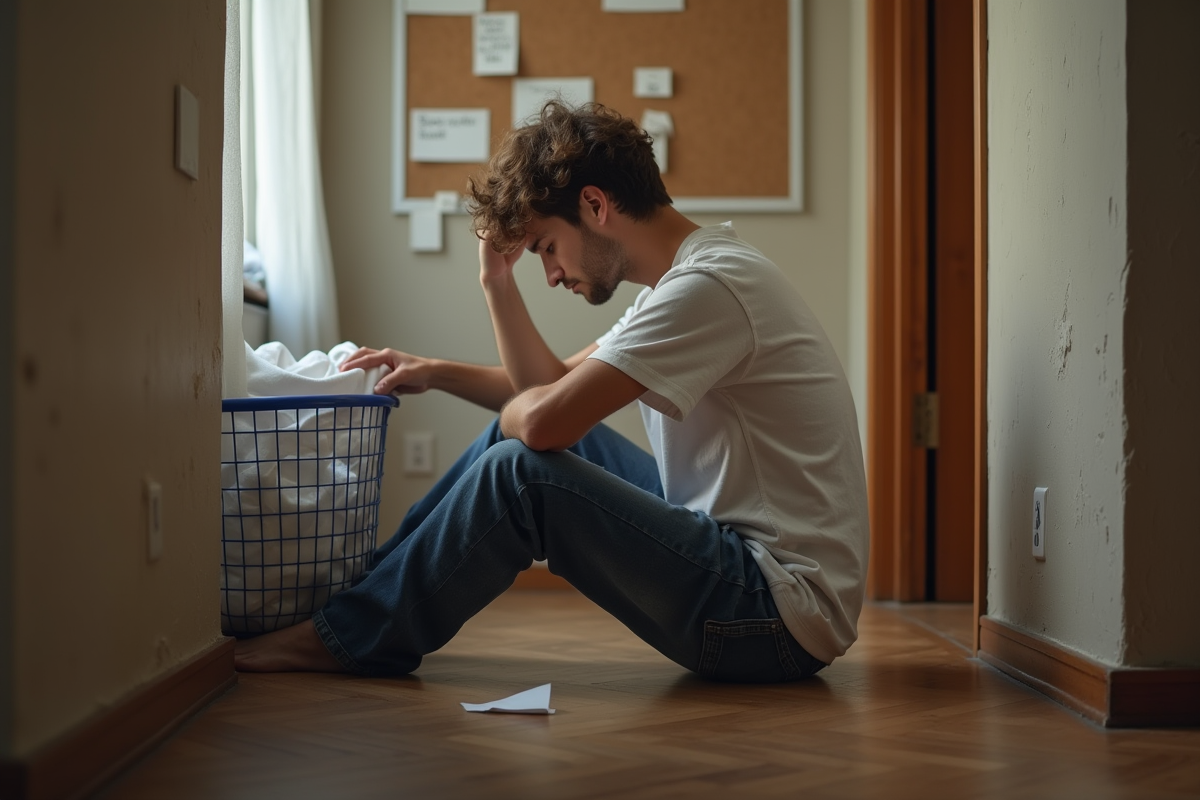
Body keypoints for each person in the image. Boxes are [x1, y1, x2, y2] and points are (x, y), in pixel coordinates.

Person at [234, 101, 869, 682]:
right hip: (742, 571)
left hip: (774, 615)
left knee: (520, 470)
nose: (552, 273)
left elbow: (541, 421)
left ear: (594, 205)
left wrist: (526, 414)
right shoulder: (685, 282)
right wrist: (478, 308)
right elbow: (550, 391)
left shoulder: (708, 290)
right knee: (515, 436)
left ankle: (347, 636)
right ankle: (354, 604)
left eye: (545, 248)